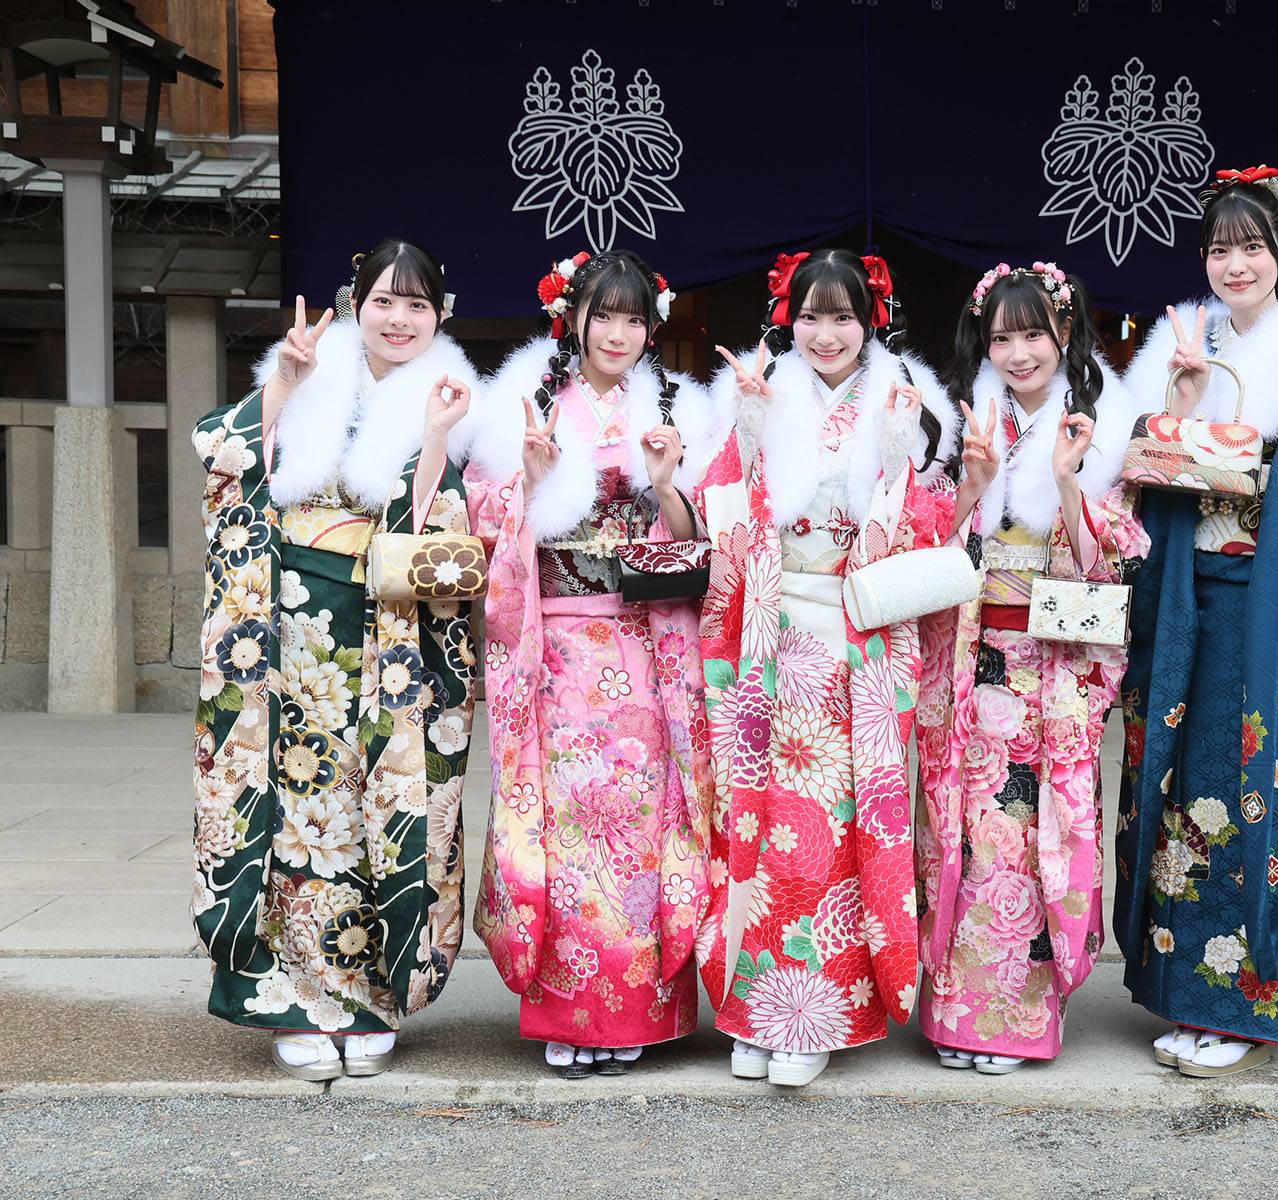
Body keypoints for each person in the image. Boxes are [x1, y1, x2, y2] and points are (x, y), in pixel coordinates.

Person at [1116, 165, 1278, 1077]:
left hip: (1269, 606)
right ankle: (1184, 991)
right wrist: (1182, 405)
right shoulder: (1182, 345)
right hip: (1189, 602)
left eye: (1252, 247)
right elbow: (1145, 478)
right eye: (1220, 249)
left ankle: (1247, 1005)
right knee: (1184, 787)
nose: (1236, 265)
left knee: (1258, 785)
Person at [192, 239, 480, 1080]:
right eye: (384, 300)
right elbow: (226, 466)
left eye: (417, 304)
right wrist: (284, 381)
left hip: (390, 639)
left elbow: (434, 533)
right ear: (355, 304)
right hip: (286, 633)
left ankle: (368, 996)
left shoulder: (451, 395)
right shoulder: (310, 374)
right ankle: (293, 995)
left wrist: (435, 437)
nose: (399, 319)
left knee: (372, 810)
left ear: (440, 315)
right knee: (293, 807)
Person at [694, 248, 955, 1087]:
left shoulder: (904, 399)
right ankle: (753, 1007)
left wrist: (898, 458)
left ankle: (814, 1012)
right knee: (758, 829)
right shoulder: (765, 391)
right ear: (789, 320)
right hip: (769, 645)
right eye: (810, 316)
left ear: (870, 320)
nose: (826, 334)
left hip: (853, 654)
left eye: (843, 316)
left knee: (828, 837)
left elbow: (931, 530)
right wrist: (749, 432)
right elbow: (720, 513)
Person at [468, 249, 728, 1077]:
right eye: (603, 315)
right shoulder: (525, 402)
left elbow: (701, 538)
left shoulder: (679, 407)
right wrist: (530, 483)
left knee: (644, 824)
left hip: (646, 645)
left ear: (652, 328)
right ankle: (566, 1011)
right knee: (569, 822)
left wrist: (668, 485)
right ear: (571, 318)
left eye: (634, 319)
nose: (618, 333)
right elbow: (487, 520)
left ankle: (639, 1014)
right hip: (559, 650)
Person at [915, 261, 1147, 1073]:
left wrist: (1066, 481)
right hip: (973, 658)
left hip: (1051, 669)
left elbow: (1110, 560)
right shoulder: (964, 421)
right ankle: (952, 1014)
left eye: (1033, 335)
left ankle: (1016, 1020)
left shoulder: (1099, 421)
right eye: (1001, 338)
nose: (1018, 354)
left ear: (1066, 332)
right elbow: (930, 546)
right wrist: (973, 486)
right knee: (964, 834)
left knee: (1030, 839)